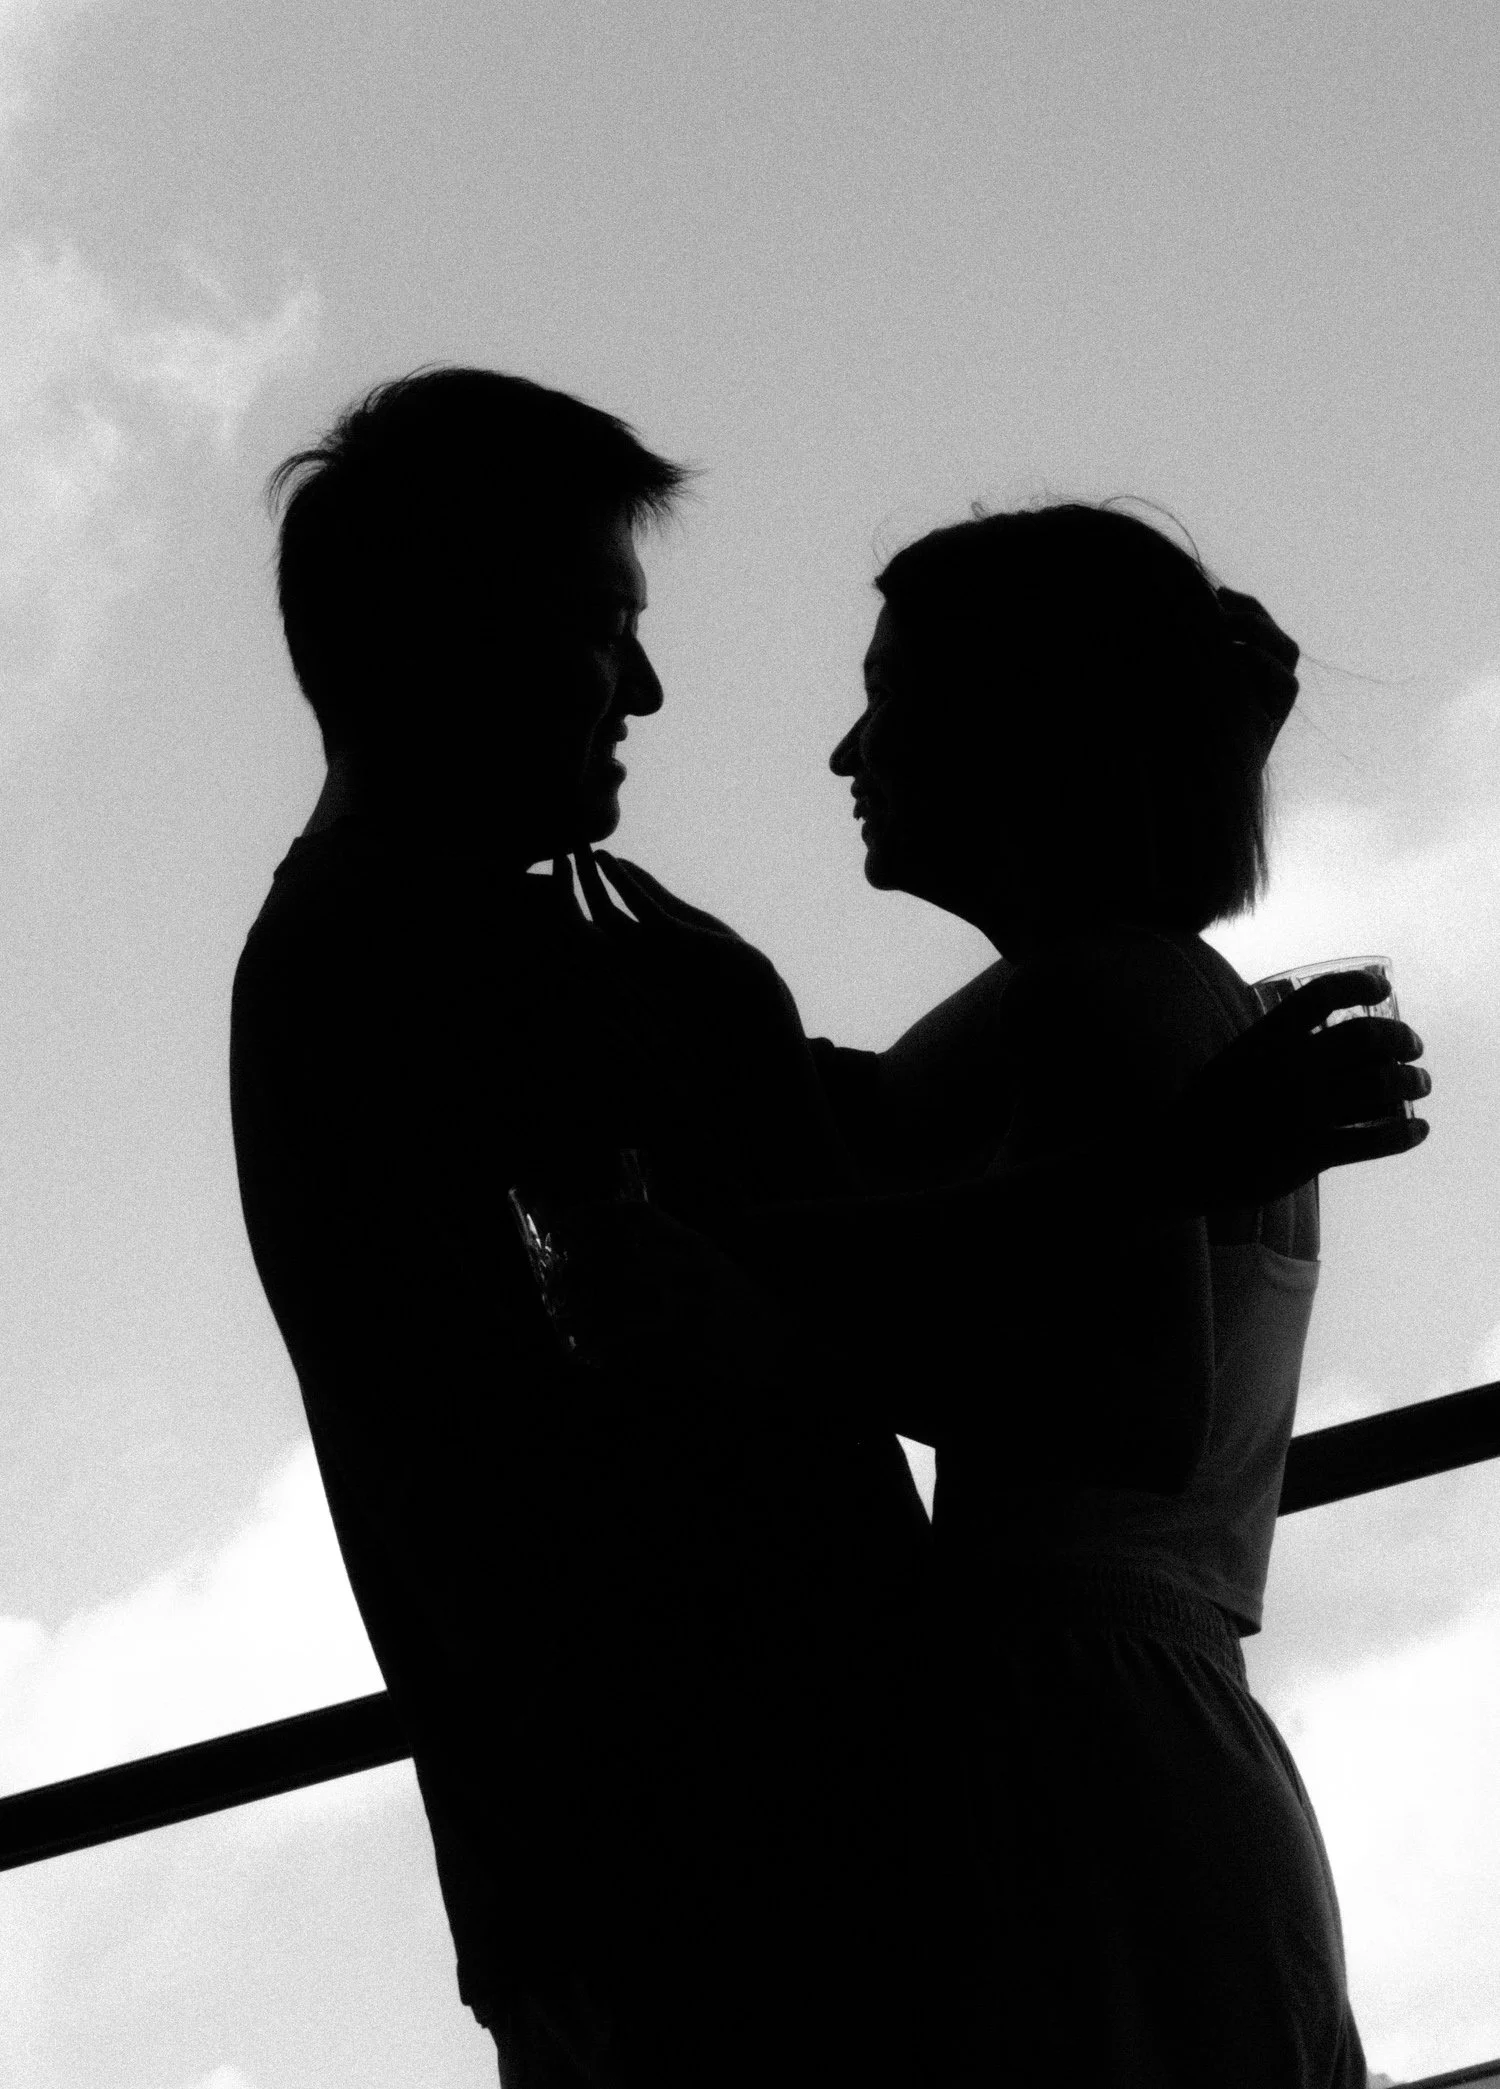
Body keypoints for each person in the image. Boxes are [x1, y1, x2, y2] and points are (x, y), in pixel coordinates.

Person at [230, 373, 1426, 2085]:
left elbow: (815, 1190)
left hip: (723, 1860)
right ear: (459, 640)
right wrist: (1157, 1147)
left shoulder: (445, 962)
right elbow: (724, 1258)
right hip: (712, 1872)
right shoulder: (463, 977)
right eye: (603, 630)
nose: (648, 689)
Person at [813, 500, 1399, 2082]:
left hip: (1077, 1753)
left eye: (892, 697)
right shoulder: (1142, 990)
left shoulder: (1099, 999)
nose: (851, 754)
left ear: (1017, 729)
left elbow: (1124, 1404)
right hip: (1153, 1736)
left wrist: (747, 1322)